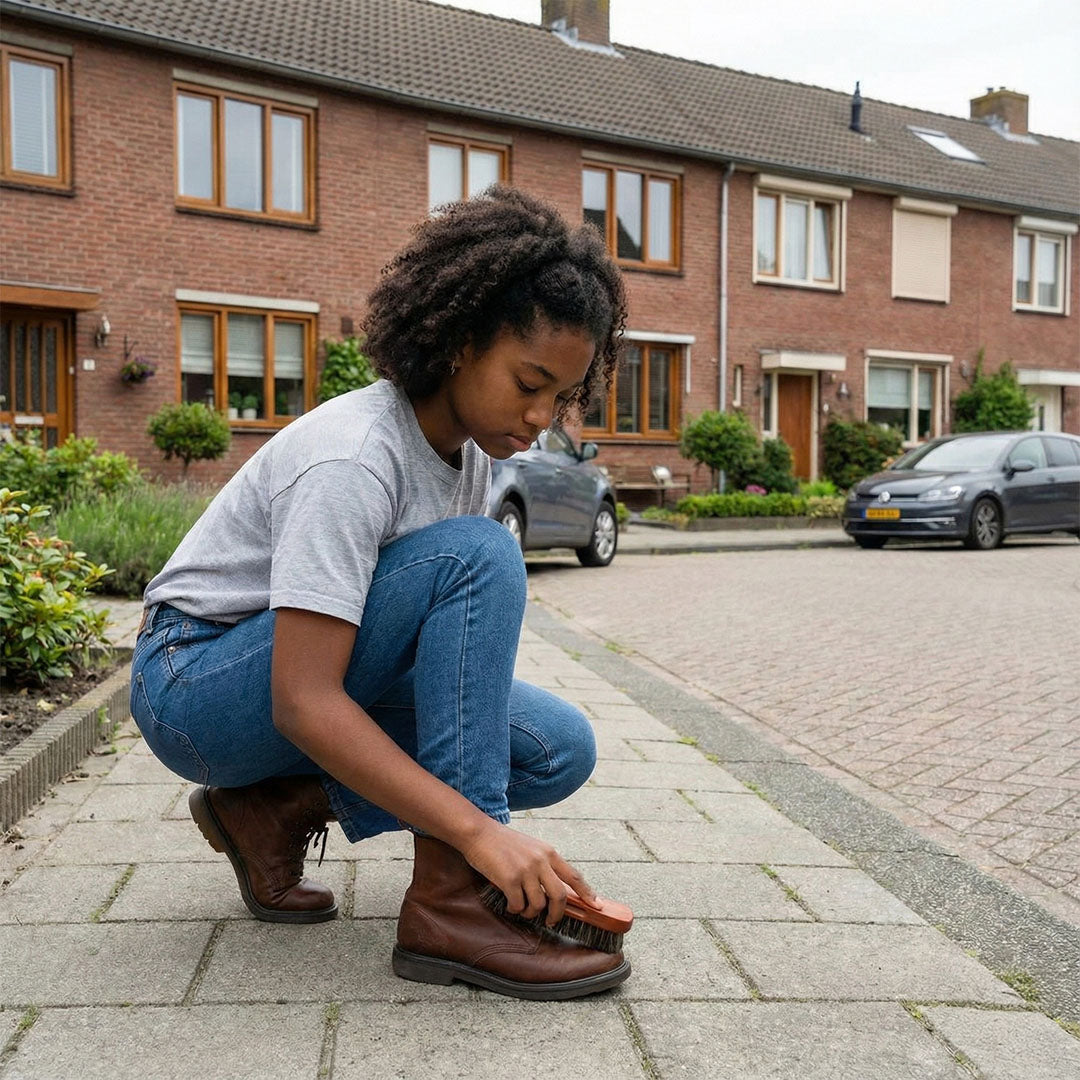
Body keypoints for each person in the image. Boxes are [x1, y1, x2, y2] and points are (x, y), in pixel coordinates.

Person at [131, 186, 630, 1001]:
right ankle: (450, 906)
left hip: (293, 673)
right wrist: (480, 834)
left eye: (561, 397)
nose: (542, 418)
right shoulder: (355, 456)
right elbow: (303, 701)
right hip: (193, 687)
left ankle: (271, 811)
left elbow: (443, 663)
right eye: (529, 382)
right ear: (462, 342)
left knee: (555, 746)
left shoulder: (469, 456)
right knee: (478, 554)